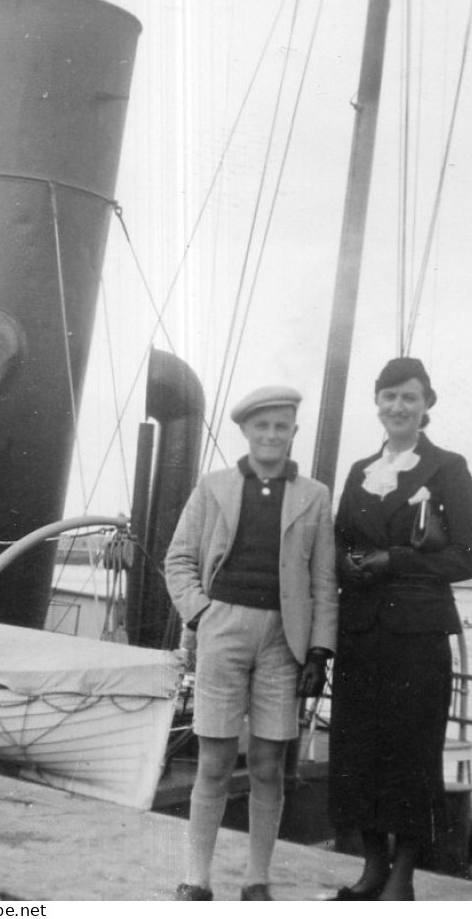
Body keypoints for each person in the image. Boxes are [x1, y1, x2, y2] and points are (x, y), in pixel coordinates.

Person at [164, 386, 338, 902]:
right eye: (262, 426)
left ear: (293, 433)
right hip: (223, 630)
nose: (271, 435)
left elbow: (323, 581)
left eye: (281, 427)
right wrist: (202, 613)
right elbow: (178, 560)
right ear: (245, 431)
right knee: (215, 762)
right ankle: (197, 878)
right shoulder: (213, 487)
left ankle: (257, 879)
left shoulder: (315, 495)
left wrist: (320, 651)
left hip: (284, 640)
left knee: (267, 764)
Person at [327, 357, 472, 901]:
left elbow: (468, 558)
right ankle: (372, 867)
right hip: (360, 633)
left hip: (417, 638)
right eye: (389, 396)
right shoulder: (358, 470)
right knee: (357, 750)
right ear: (377, 403)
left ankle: (403, 877)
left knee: (412, 754)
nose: (398, 407)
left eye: (409, 398)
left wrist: (394, 559)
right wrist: (346, 564)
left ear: (426, 406)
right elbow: (341, 540)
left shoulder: (448, 468)